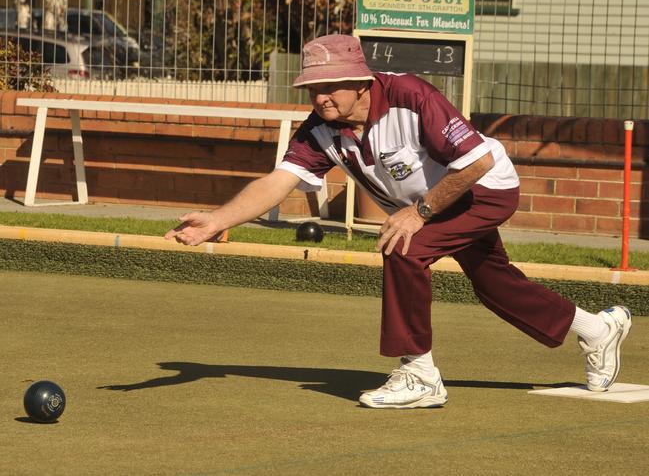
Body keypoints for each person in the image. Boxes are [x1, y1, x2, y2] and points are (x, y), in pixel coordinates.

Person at [165, 34, 632, 409]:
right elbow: (279, 180)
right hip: (433, 204)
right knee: (494, 284)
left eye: (330, 86)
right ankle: (596, 328)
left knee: (404, 245)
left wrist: (419, 213)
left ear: (361, 80)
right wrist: (217, 219)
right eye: (312, 87)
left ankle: (420, 373)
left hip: (483, 191)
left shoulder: (413, 95)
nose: (320, 96)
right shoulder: (320, 128)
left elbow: (475, 164)